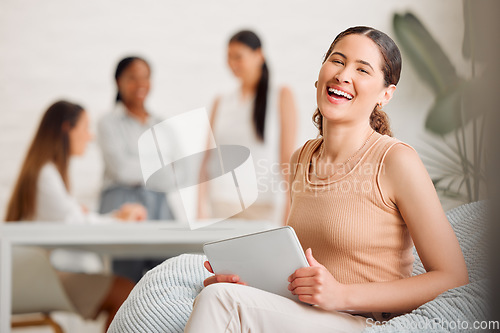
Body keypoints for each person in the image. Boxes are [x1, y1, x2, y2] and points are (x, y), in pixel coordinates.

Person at [183, 26, 469, 332]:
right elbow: (303, 272)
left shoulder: (396, 160)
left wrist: (341, 294)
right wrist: (245, 282)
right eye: (337, 60)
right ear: (320, 74)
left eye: (362, 69)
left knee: (221, 301)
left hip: (364, 322)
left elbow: (452, 277)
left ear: (386, 94)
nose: (344, 75)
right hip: (310, 315)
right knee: (222, 293)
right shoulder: (301, 158)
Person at [5, 100, 144, 331]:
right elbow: (77, 224)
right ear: (66, 129)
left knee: (126, 290)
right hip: (33, 277)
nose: (90, 137)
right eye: (85, 128)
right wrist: (120, 219)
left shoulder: (45, 172)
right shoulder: (46, 176)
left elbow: (75, 218)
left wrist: (112, 217)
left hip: (30, 273)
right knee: (127, 292)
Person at [198, 30, 298, 224]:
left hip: (260, 205)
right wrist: (199, 207)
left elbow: (287, 158)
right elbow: (207, 156)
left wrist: (290, 207)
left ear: (259, 55)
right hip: (221, 203)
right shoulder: (221, 101)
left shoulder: (280, 95)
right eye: (228, 57)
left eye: (238, 57)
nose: (232, 63)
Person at [97, 56, 174, 282]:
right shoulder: (108, 122)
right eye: (132, 78)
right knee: (125, 282)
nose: (140, 83)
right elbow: (120, 170)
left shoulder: (161, 123)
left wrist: (140, 169)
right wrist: (157, 169)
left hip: (159, 206)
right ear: (118, 82)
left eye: (145, 77)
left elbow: (173, 175)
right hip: (122, 205)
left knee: (167, 279)